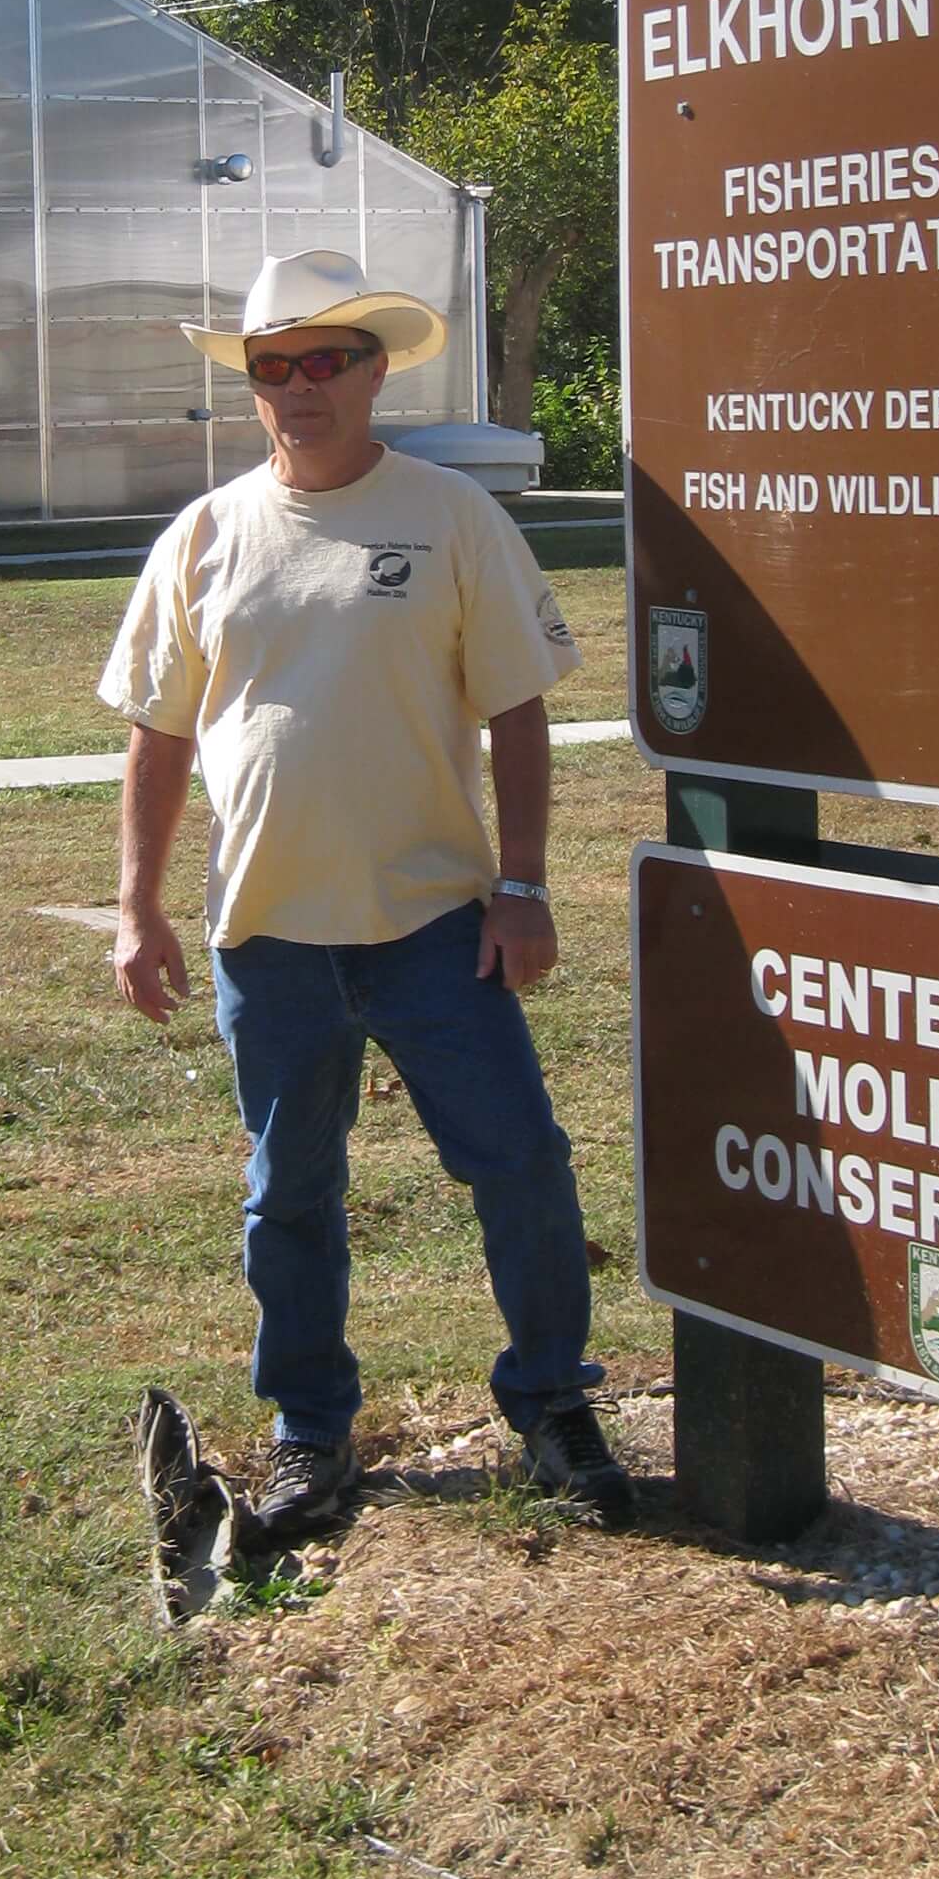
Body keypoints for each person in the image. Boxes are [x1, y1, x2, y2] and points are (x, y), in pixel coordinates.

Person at [99, 244, 634, 1541]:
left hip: (436, 931)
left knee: (521, 1165)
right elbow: (158, 736)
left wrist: (521, 885)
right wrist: (137, 903)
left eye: (324, 360)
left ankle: (554, 1407)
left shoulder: (452, 520)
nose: (298, 387)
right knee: (289, 1195)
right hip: (268, 935)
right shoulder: (209, 537)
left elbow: (516, 710)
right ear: (254, 386)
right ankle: (310, 1439)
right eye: (274, 366)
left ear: (374, 369)